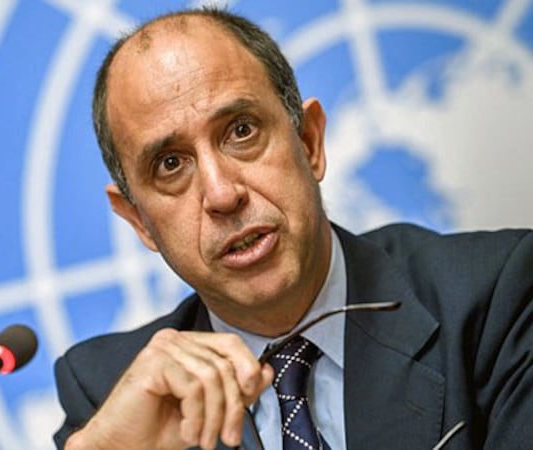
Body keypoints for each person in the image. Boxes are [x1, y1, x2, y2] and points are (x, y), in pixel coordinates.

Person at [53, 7, 533, 450]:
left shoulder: (496, 298)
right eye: (171, 163)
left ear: (309, 142)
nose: (222, 194)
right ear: (140, 221)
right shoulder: (108, 390)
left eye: (241, 131)